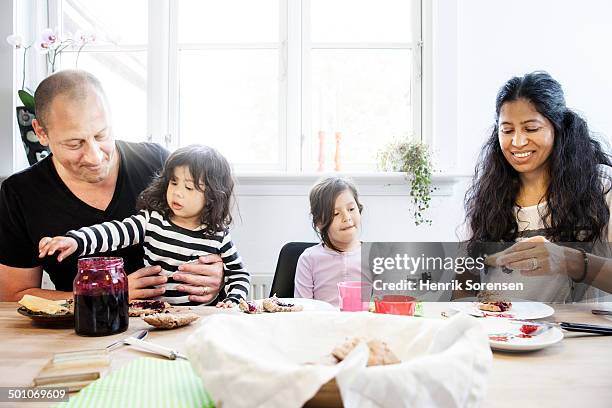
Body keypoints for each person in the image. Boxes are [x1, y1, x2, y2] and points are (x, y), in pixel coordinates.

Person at [0, 70, 223, 303]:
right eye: (74, 144)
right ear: (41, 133)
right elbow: (13, 296)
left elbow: (213, 238)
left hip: (175, 325)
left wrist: (219, 274)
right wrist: (104, 295)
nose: (94, 157)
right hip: (84, 331)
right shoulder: (20, 193)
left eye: (101, 135)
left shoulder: (159, 164)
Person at [463, 71, 612, 302]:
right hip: (501, 331)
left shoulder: (601, 186)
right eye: (507, 130)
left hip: (575, 334)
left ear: (558, 127)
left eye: (531, 129)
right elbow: (466, 275)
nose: (518, 142)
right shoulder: (489, 194)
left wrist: (569, 260)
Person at [39, 145, 249, 306]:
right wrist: (75, 240)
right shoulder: (152, 220)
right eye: (174, 182)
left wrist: (233, 300)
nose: (177, 192)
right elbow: (112, 232)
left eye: (190, 187)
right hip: (152, 312)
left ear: (212, 196)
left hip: (198, 318)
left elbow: (239, 275)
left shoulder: (218, 236)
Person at [294, 176, 364, 307]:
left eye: (351, 209)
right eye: (335, 214)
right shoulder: (309, 259)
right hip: (322, 325)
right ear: (319, 222)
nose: (347, 217)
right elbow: (303, 311)